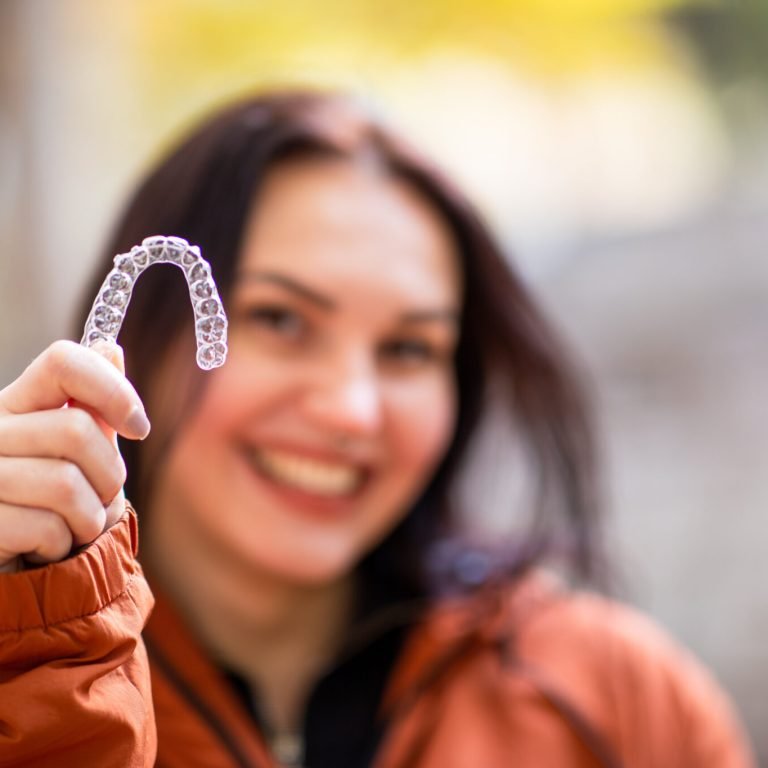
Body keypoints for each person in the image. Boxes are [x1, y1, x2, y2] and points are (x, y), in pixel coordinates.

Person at [0, 89, 754, 768]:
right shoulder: (19, 676)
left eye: (408, 349)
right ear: (141, 335)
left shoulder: (627, 706)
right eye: (282, 320)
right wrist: (48, 648)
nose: (351, 411)